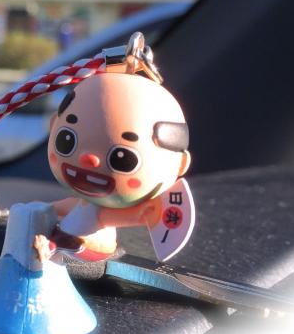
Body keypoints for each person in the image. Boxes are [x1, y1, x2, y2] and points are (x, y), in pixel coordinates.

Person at [33, 70, 193, 263]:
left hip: (93, 245)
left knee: (63, 240)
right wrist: (42, 209)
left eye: (122, 158)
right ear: (53, 127)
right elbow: (68, 206)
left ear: (179, 165)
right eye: (67, 140)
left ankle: (52, 247)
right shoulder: (86, 204)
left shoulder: (103, 215)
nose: (88, 159)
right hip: (68, 243)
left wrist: (147, 213)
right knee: (58, 239)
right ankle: (53, 246)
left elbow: (125, 217)